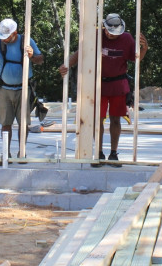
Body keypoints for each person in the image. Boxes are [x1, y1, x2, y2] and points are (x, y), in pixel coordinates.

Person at [58, 13, 147, 167]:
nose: (109, 34)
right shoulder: (96, 36)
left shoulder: (126, 39)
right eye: (107, 31)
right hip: (99, 85)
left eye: (113, 33)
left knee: (115, 119)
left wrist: (144, 48)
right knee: (97, 120)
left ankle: (113, 153)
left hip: (118, 85)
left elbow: (136, 57)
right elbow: (80, 53)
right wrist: (67, 65)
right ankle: (98, 153)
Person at [0, 18, 44, 163]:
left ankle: (21, 153)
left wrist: (32, 56)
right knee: (6, 123)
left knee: (23, 123)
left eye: (7, 37)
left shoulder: (26, 41)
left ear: (15, 33)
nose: (3, 40)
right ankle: (6, 153)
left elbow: (41, 59)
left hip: (24, 89)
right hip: (4, 89)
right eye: (2, 37)